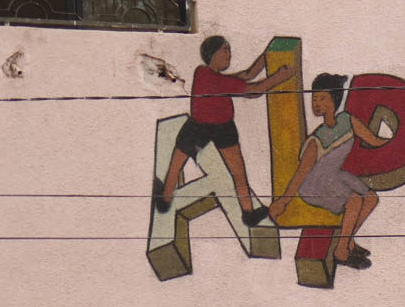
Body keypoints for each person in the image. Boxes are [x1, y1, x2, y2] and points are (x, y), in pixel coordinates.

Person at [153, 35, 294, 227]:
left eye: (229, 50)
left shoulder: (208, 75)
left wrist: (266, 56)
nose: (229, 54)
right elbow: (254, 89)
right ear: (212, 54)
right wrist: (280, 77)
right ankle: (165, 198)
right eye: (225, 50)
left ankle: (247, 212)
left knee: (237, 172)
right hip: (200, 127)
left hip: (221, 127)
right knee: (178, 163)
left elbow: (247, 74)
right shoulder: (207, 75)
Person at [269, 73, 386, 267]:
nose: (316, 103)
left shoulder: (348, 120)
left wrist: (401, 146)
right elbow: (301, 174)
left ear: (334, 100)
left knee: (371, 198)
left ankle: (347, 240)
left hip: (334, 177)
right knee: (355, 201)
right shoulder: (317, 139)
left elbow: (374, 140)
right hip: (313, 185)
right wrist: (283, 201)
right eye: (314, 98)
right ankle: (341, 251)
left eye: (322, 98)